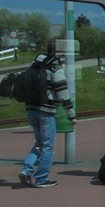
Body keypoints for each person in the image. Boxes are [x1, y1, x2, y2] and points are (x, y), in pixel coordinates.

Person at [18, 39, 77, 188]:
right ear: (59, 51)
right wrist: (71, 114)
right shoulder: (55, 66)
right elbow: (62, 92)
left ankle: (26, 170)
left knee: (40, 143)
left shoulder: (36, 62)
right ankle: (41, 178)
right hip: (46, 110)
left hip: (30, 107)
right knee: (48, 146)